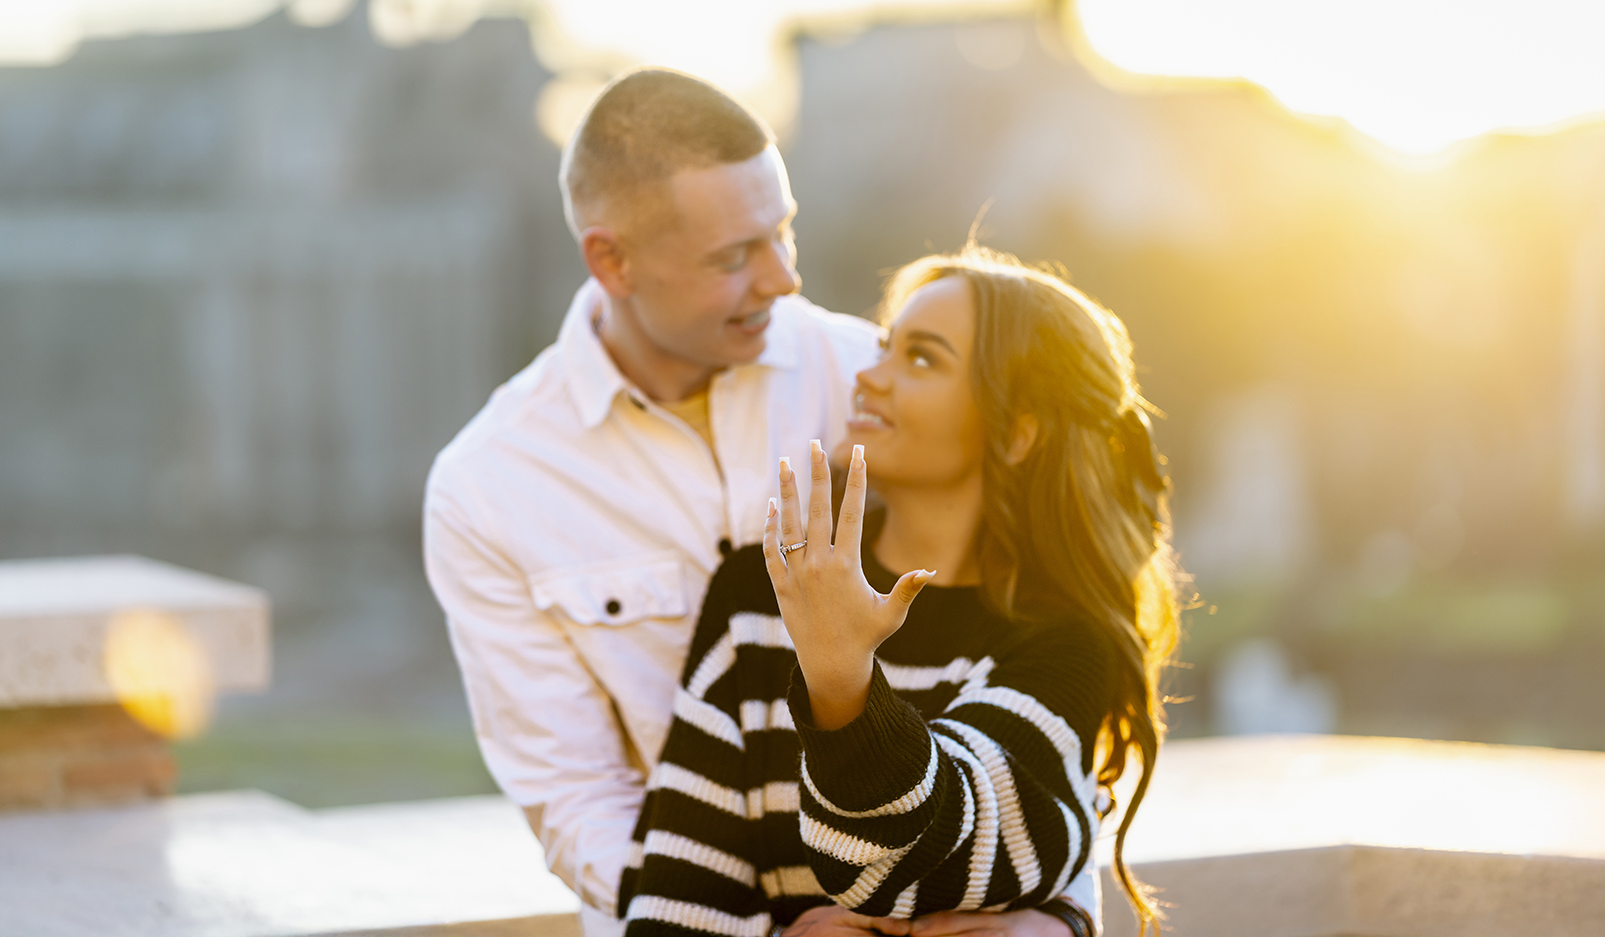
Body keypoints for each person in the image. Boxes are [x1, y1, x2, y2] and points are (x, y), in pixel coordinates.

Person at [423, 71, 1100, 937]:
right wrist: (765, 929)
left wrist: (1055, 918)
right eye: (731, 257)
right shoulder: (490, 486)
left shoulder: (868, 380)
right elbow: (575, 799)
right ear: (612, 260)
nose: (782, 279)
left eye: (783, 231)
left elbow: (1046, 672)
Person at [619, 247, 1186, 937]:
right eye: (887, 347)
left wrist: (840, 683)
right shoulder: (759, 591)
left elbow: (920, 859)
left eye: (922, 359)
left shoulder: (1064, 638)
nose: (868, 377)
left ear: (1016, 432)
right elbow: (674, 908)